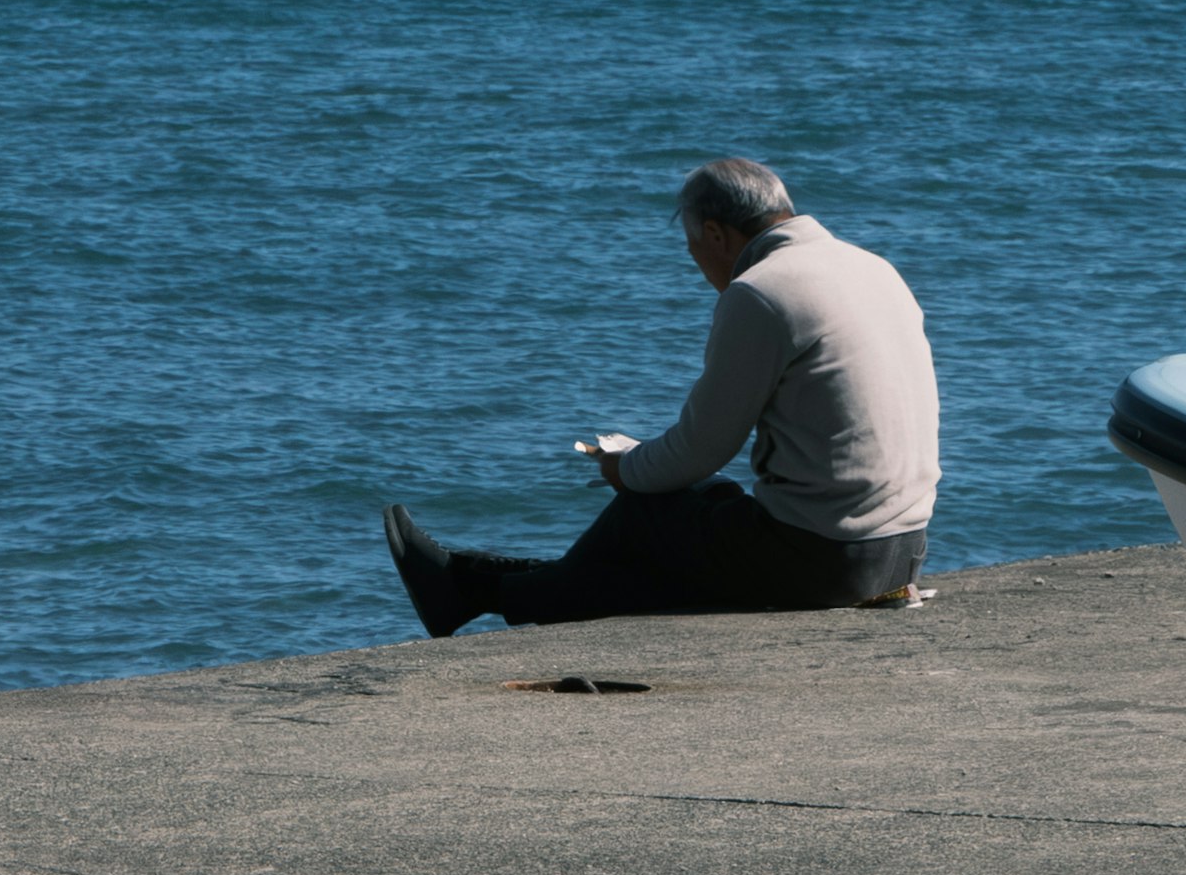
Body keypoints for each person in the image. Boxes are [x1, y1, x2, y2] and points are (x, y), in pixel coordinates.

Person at [384, 157, 937, 635]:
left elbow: (702, 448)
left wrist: (624, 468)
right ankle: (474, 580)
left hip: (825, 562)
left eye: (694, 247)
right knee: (698, 510)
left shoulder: (763, 292)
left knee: (645, 513)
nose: (698, 265)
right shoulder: (872, 268)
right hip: (900, 552)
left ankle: (474, 591)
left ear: (717, 235)